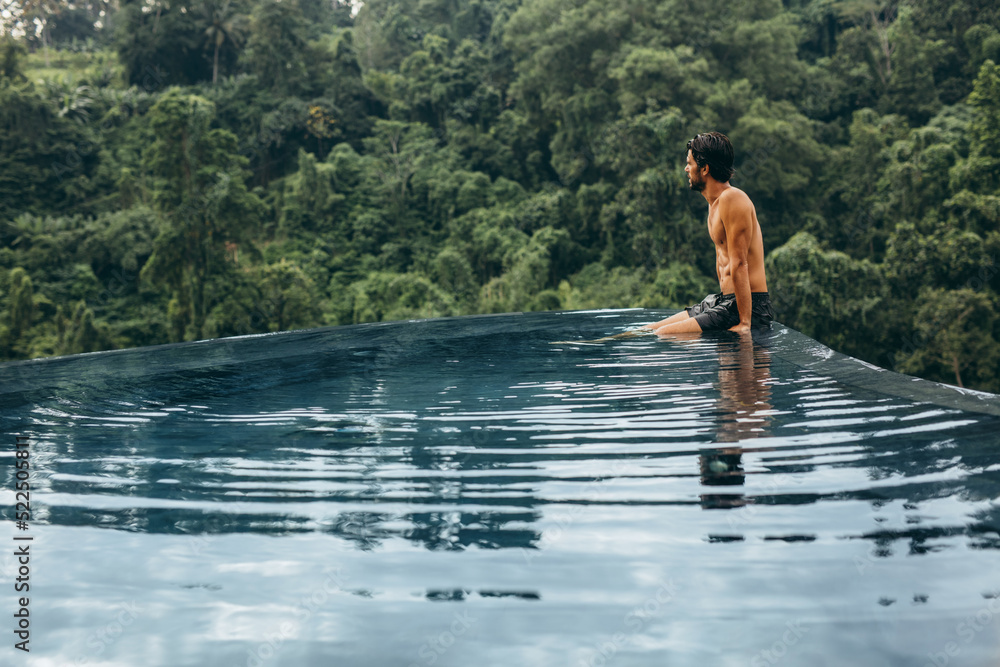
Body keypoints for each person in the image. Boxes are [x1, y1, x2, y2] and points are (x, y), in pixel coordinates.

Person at [643, 132, 774, 336]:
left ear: (705, 168)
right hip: (724, 300)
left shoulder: (733, 198)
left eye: (690, 163)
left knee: (663, 334)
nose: (686, 169)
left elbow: (739, 263)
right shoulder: (714, 205)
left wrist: (745, 322)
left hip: (746, 307)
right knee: (647, 330)